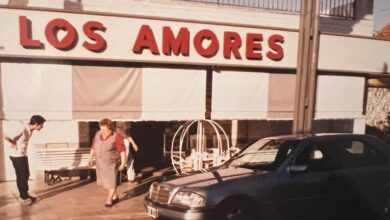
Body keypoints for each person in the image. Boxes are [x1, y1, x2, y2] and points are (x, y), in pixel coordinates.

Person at [3, 115, 46, 206]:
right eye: (41, 125)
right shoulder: (23, 128)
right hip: (16, 155)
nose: (42, 127)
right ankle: (23, 197)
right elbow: (6, 136)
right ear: (36, 124)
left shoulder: (31, 130)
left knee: (26, 174)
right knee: (21, 176)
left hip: (22, 155)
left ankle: (25, 194)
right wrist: (13, 142)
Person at [88, 119, 126, 207]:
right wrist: (90, 157)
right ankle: (115, 196)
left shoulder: (116, 136)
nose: (103, 131)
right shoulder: (98, 134)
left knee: (112, 182)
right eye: (101, 129)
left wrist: (123, 163)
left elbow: (122, 150)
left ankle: (109, 200)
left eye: (105, 130)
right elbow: (94, 146)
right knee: (106, 182)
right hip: (101, 163)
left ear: (111, 129)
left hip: (112, 164)